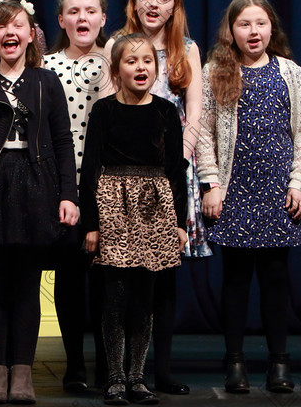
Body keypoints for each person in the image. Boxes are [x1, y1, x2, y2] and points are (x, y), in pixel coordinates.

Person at [0, 0, 78, 404]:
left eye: (18, 26)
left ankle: (22, 371)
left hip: (35, 183)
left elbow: (63, 141)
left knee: (27, 285)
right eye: (1, 27)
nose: (10, 33)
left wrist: (67, 194)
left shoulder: (46, 82)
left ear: (31, 35)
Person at [198, 0, 301, 394]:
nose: (253, 31)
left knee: (276, 277)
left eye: (260, 23)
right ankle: (234, 362)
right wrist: (211, 184)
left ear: (271, 28)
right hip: (235, 190)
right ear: (231, 30)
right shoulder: (216, 70)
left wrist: (300, 183)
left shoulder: (292, 73)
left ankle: (279, 363)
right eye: (244, 24)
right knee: (235, 279)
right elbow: (204, 135)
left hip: (276, 190)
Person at [105, 0, 211, 394]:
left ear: (174, 6)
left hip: (169, 172)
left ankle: (159, 369)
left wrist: (176, 163)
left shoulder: (186, 48)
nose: (154, 4)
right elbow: (107, 106)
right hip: (124, 176)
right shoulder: (117, 44)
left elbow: (195, 111)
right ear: (134, 3)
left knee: (162, 274)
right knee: (122, 276)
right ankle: (120, 371)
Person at [81, 32, 189, 406]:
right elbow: (91, 166)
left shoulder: (165, 111)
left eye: (146, 61)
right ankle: (113, 376)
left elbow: (176, 169)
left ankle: (137, 377)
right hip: (114, 203)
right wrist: (91, 223)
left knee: (145, 295)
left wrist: (180, 223)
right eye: (131, 61)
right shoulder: (105, 110)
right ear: (116, 70)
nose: (140, 67)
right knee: (115, 294)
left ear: (155, 69)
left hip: (154, 206)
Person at [42, 0, 109, 391]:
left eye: (90, 11)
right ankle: (73, 364)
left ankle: (107, 362)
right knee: (68, 277)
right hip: (61, 185)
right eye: (74, 11)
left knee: (106, 278)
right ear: (62, 20)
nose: (82, 18)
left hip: (104, 183)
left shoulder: (115, 61)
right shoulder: (46, 66)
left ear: (103, 18)